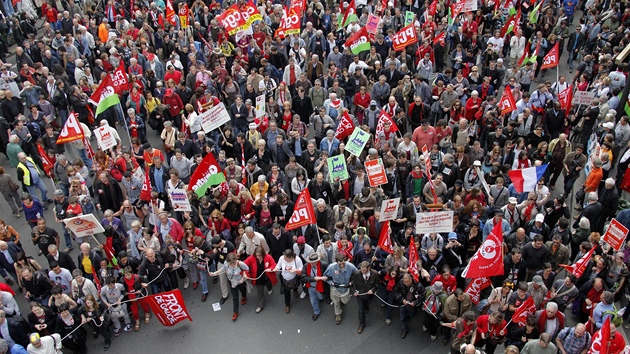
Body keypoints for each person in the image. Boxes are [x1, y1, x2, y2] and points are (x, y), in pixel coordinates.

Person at [244, 246, 277, 313]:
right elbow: (244, 264)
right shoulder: (252, 258)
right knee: (260, 292)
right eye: (257, 255)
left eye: (260, 255)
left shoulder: (268, 257)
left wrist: (270, 268)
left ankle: (270, 289)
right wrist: (245, 273)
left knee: (268, 284)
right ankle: (260, 305)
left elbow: (274, 264)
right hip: (258, 278)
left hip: (267, 276)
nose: (258, 257)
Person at [350, 261, 380, 334]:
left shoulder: (375, 274)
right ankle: (362, 324)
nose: (362, 271)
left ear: (368, 268)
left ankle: (366, 307)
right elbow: (351, 284)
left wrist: (373, 290)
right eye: (361, 270)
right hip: (360, 295)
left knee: (367, 304)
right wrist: (354, 291)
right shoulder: (356, 274)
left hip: (369, 295)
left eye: (364, 270)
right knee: (361, 310)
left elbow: (378, 284)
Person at [270, 249, 303, 314]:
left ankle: (295, 290)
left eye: (285, 256)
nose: (284, 257)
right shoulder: (282, 258)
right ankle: (287, 304)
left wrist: (294, 271)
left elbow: (301, 269)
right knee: (286, 292)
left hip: (294, 278)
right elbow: (278, 265)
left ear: (290, 257)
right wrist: (276, 268)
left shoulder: (297, 259)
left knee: (295, 285)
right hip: (284, 278)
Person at [395, 273, 424, 339]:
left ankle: (409, 317)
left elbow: (422, 295)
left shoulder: (418, 285)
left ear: (411, 279)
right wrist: (402, 300)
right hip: (404, 304)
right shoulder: (401, 283)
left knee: (412, 315)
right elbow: (395, 291)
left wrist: (415, 302)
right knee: (402, 317)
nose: (406, 284)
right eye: (405, 283)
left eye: (408, 282)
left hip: (413, 305)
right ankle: (405, 329)